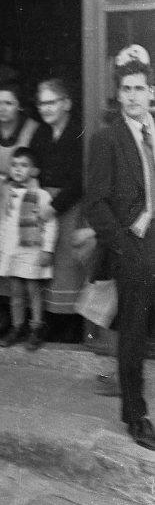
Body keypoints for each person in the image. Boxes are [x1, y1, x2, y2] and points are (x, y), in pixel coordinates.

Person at [84, 45, 155, 450]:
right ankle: (135, 414)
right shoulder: (107, 140)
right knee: (133, 332)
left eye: (139, 88)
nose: (132, 96)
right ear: (118, 93)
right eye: (125, 89)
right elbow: (96, 204)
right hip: (134, 247)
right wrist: (126, 248)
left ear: (151, 92)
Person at [29, 78, 84, 322]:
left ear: (66, 104)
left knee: (67, 265)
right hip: (43, 204)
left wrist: (54, 206)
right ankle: (48, 322)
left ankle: (71, 324)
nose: (46, 109)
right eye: (42, 104)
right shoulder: (40, 133)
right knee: (44, 264)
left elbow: (80, 180)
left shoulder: (78, 131)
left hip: (69, 205)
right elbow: (32, 167)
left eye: (51, 103)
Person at [0, 146, 58, 350]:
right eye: (14, 165)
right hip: (12, 250)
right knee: (15, 291)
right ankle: (17, 326)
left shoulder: (41, 196)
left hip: (32, 251)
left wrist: (47, 249)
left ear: (34, 171)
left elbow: (50, 224)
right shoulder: (9, 194)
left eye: (24, 165)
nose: (18, 169)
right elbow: (3, 223)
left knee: (33, 290)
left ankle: (36, 327)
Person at [0, 83, 38, 244]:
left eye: (8, 103)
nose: (2, 108)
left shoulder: (33, 128)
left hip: (22, 191)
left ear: (19, 105)